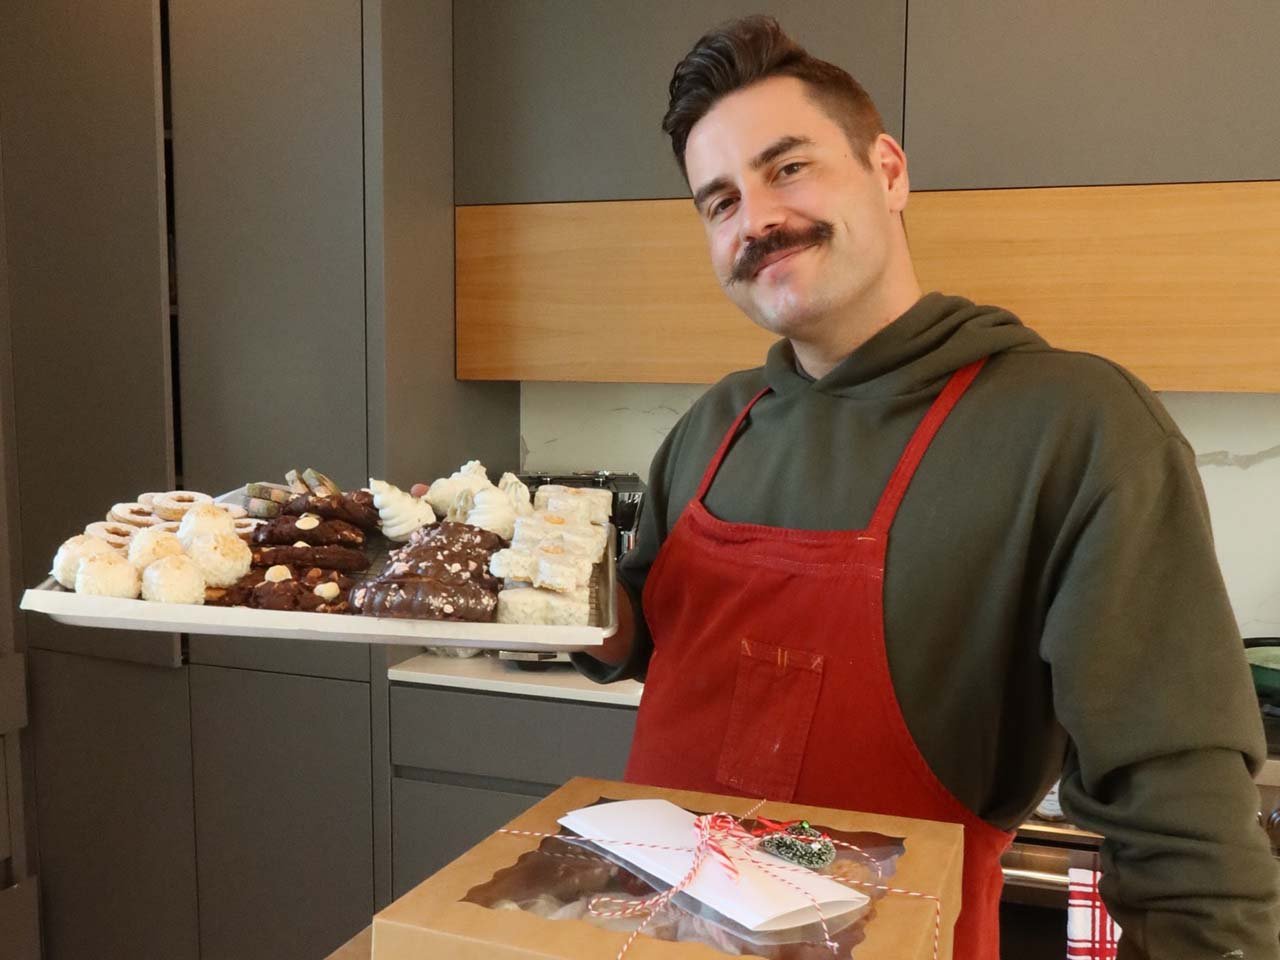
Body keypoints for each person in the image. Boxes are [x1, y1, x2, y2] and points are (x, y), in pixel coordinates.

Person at [572, 15, 1280, 960]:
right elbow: (648, 639)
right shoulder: (716, 422)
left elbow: (1180, 810)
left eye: (789, 168)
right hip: (648, 936)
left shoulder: (1071, 426)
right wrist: (524, 588)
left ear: (890, 170)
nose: (757, 219)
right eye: (719, 201)